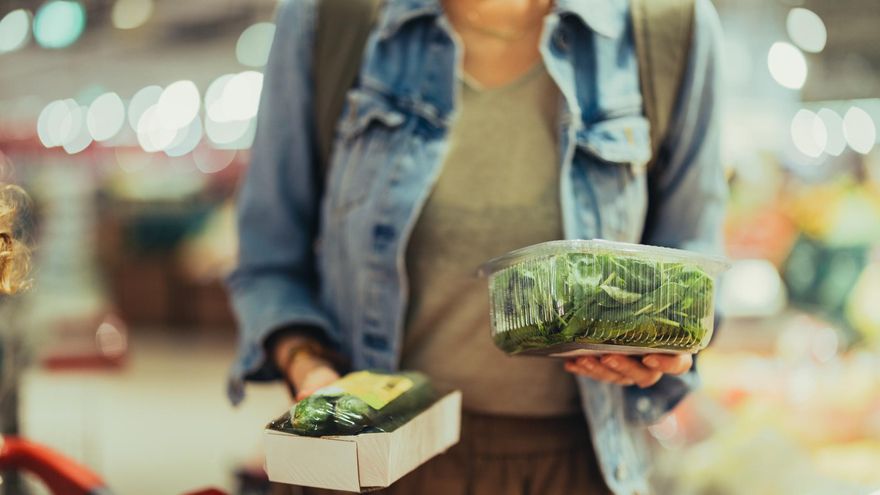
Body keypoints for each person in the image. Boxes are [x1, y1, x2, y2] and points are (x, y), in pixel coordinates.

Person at [226, 0, 725, 493]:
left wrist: (666, 350)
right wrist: (308, 363)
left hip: (577, 464)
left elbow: (694, 261)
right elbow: (269, 260)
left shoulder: (665, 26)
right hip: (378, 463)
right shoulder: (331, 18)